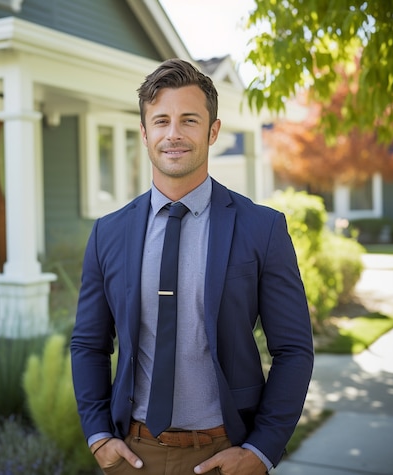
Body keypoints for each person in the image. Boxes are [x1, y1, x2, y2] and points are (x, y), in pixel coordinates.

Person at [70, 58, 314, 475]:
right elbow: (89, 344)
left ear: (212, 131)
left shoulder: (262, 229)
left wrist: (261, 450)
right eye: (161, 121)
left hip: (223, 453)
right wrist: (98, 436)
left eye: (189, 120)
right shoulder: (108, 233)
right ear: (145, 134)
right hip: (131, 455)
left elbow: (293, 350)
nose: (174, 134)